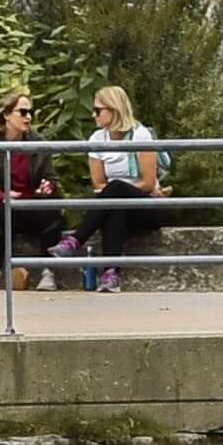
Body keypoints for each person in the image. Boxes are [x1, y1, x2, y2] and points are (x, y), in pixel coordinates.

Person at [77, 85, 167, 294]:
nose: (94, 115)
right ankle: (111, 274)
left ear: (114, 109)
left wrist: (118, 189)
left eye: (98, 110)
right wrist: (114, 192)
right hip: (118, 206)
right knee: (115, 206)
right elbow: (98, 184)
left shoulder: (140, 135)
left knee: (116, 189)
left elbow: (148, 183)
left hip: (146, 206)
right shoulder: (97, 139)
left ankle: (76, 240)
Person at [0, 92, 65, 291]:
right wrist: (4, 195)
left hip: (33, 203)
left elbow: (51, 177)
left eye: (31, 112)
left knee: (53, 205)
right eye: (23, 112)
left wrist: (47, 186)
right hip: (5, 204)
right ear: (7, 115)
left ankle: (48, 272)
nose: (28, 117)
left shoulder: (38, 141)